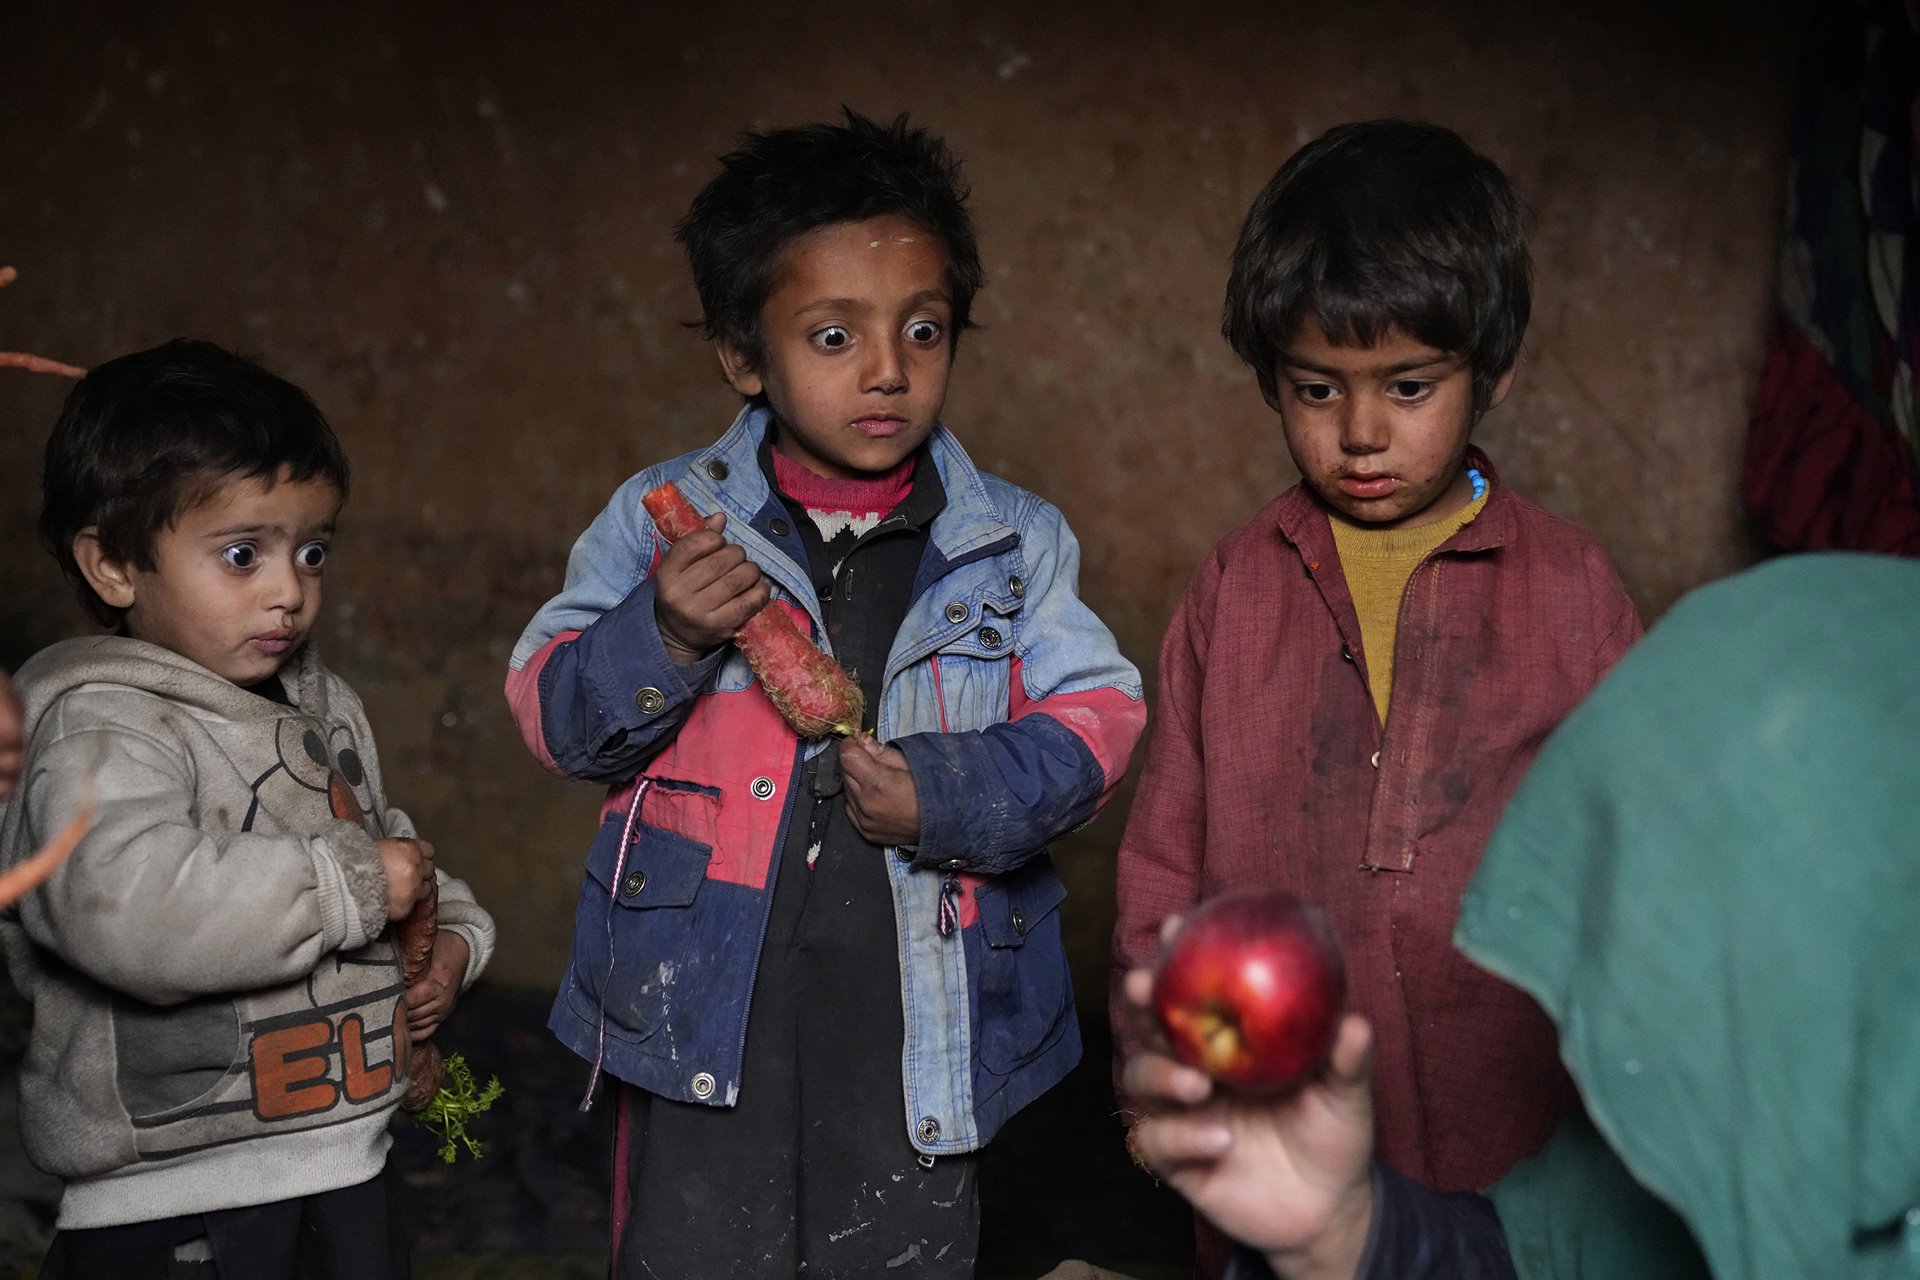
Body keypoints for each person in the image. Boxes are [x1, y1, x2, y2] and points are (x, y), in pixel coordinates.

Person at [504, 109, 1145, 1278]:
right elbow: (554, 717)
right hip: (703, 996)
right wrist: (663, 630)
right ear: (746, 356)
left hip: (919, 1009)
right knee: (697, 1250)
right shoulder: (662, 521)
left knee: (900, 1250)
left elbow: (1100, 720)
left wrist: (948, 793)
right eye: (835, 334)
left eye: (922, 328)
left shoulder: (1013, 543)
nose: (889, 369)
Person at [1110, 117, 1642, 1271]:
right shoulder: (1234, 587)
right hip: (1274, 1122)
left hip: (1523, 1142)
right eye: (1316, 388)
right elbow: (1162, 864)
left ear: (1491, 369)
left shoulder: (1575, 588)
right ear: (1269, 379)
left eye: (1408, 385)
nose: (1359, 433)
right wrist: (1158, 1074)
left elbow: (1643, 858)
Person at [1121, 552, 1919, 1280]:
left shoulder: (1570, 587)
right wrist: (1344, 1234)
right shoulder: (1667, 1146)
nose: (1644, 990)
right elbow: (1534, 1255)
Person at [0, 340, 496, 1279]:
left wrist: (456, 935)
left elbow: (384, 850)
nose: (289, 590)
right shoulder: (100, 726)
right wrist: (354, 884)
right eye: (241, 554)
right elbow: (124, 909)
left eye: (312, 550)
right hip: (181, 1199)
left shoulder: (315, 703)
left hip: (342, 1161)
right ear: (112, 567)